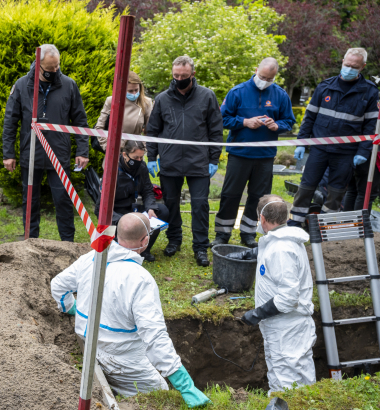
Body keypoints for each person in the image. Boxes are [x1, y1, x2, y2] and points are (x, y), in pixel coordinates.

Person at [51, 213, 210, 407]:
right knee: (161, 394)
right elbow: (154, 336)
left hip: (90, 348)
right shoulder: (140, 280)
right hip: (126, 364)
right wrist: (184, 385)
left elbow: (57, 285)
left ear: (117, 235)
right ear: (145, 241)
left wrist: (70, 308)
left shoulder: (92, 258)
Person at [228, 195, 315, 394]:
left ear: (262, 219)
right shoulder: (281, 240)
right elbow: (268, 248)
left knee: (287, 379)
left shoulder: (281, 250)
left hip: (287, 327)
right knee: (289, 374)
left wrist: (257, 314)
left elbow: (288, 298)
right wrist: (247, 254)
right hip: (284, 326)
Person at [3, 44, 89, 241]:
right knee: (30, 202)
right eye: (49, 69)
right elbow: (10, 122)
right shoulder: (23, 85)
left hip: (58, 154)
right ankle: (30, 242)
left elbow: (80, 121)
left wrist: (82, 150)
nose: (54, 71)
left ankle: (67, 243)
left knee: (63, 200)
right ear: (38, 64)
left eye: (57, 67)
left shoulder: (69, 85)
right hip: (31, 153)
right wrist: (8, 154)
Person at [146, 55, 223, 267]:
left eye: (184, 76)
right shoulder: (162, 99)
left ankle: (200, 246)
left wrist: (214, 158)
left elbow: (216, 130)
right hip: (169, 162)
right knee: (170, 204)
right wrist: (152, 157)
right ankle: (174, 240)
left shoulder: (207, 96)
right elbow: (152, 131)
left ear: (192, 74)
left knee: (200, 205)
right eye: (176, 75)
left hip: (198, 162)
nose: (179, 79)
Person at [288, 48, 379, 226]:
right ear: (342, 61)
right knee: (306, 187)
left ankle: (324, 226)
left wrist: (363, 151)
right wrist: (301, 143)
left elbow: (370, 126)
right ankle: (295, 224)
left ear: (363, 67)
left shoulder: (369, 92)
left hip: (346, 153)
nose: (349, 69)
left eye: (355, 66)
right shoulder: (325, 86)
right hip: (319, 149)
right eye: (347, 65)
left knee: (336, 192)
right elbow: (309, 118)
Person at [211, 58, 296, 248]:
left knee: (258, 198)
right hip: (239, 154)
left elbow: (289, 121)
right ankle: (222, 234)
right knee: (230, 195)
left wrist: (277, 125)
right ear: (256, 69)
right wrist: (244, 122)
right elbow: (222, 119)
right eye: (262, 76)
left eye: (269, 78)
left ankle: (248, 233)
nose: (264, 81)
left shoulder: (280, 95)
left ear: (275, 77)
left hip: (265, 156)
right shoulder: (237, 92)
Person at [94, 141, 169, 262]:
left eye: (141, 157)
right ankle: (123, 249)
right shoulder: (112, 172)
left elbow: (148, 191)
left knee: (162, 211)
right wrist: (122, 220)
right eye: (135, 158)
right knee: (125, 232)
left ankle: (144, 250)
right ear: (125, 155)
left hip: (132, 208)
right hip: (115, 213)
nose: (139, 160)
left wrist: (150, 208)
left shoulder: (142, 167)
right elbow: (100, 209)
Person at [94, 71, 153, 150]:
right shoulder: (111, 101)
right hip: (114, 150)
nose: (134, 93)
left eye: (136, 90)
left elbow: (150, 130)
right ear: (122, 89)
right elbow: (99, 127)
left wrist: (142, 148)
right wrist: (107, 147)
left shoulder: (146, 102)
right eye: (130, 91)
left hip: (135, 152)